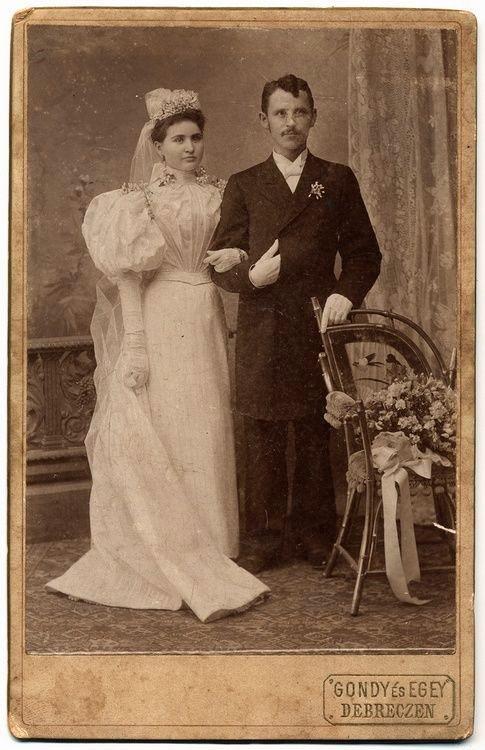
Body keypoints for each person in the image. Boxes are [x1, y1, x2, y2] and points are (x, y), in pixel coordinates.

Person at [45, 88, 269, 622]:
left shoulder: (222, 192)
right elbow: (128, 278)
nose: (190, 148)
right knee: (171, 425)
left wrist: (236, 256)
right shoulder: (139, 202)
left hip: (206, 314)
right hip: (163, 314)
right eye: (178, 140)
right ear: (158, 145)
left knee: (209, 423)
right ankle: (177, 544)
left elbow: (235, 254)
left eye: (196, 138)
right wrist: (137, 345)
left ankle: (216, 542)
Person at [206, 74, 381, 573]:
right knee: (262, 432)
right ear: (264, 120)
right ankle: (263, 539)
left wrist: (345, 293)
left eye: (299, 112)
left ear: (313, 117)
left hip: (315, 323)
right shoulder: (244, 184)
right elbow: (218, 264)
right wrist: (250, 277)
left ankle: (314, 533)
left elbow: (365, 254)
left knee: (313, 428)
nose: (290, 122)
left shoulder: (336, 179)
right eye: (280, 113)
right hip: (263, 325)